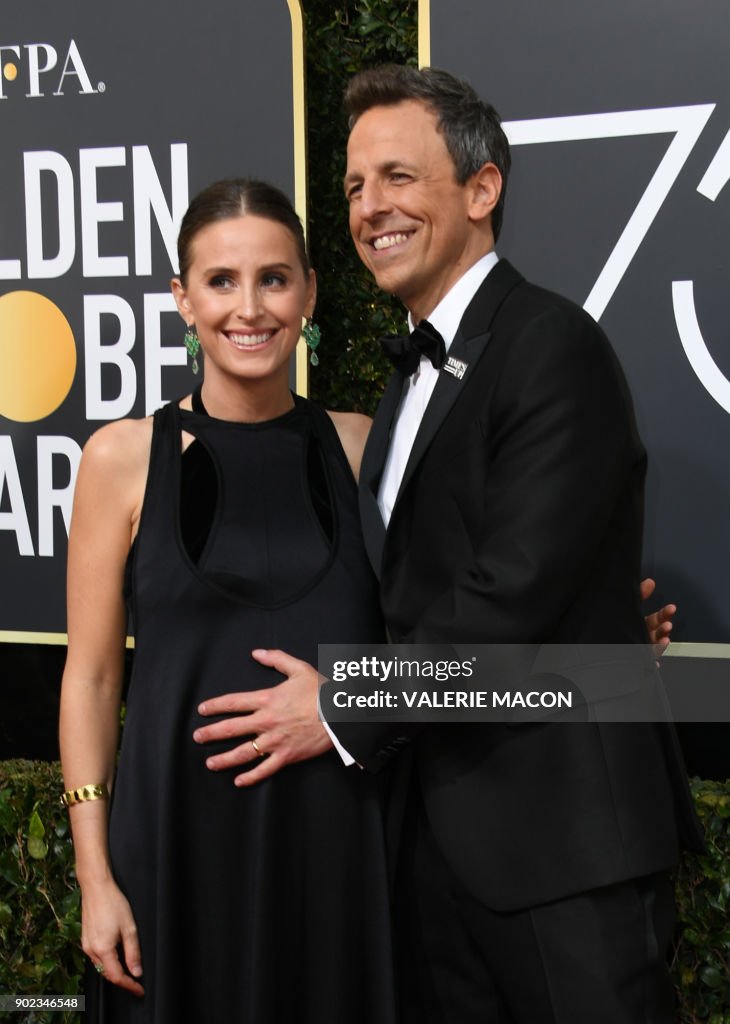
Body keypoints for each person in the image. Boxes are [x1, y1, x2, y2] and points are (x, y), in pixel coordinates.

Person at [195, 68, 703, 1023]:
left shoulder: (551, 347)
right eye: (352, 187)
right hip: (430, 846)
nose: (368, 207)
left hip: (561, 849)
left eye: (397, 177)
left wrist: (340, 704)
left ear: (481, 189)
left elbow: (506, 604)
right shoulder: (407, 385)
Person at [58, 179, 398, 1023]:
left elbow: (449, 623)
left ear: (310, 292)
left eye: (275, 279)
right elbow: (92, 680)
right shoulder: (121, 459)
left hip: (334, 852)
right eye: (221, 281)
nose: (250, 308)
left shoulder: (363, 446)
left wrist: (596, 634)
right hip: (173, 854)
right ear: (183, 298)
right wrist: (95, 878)